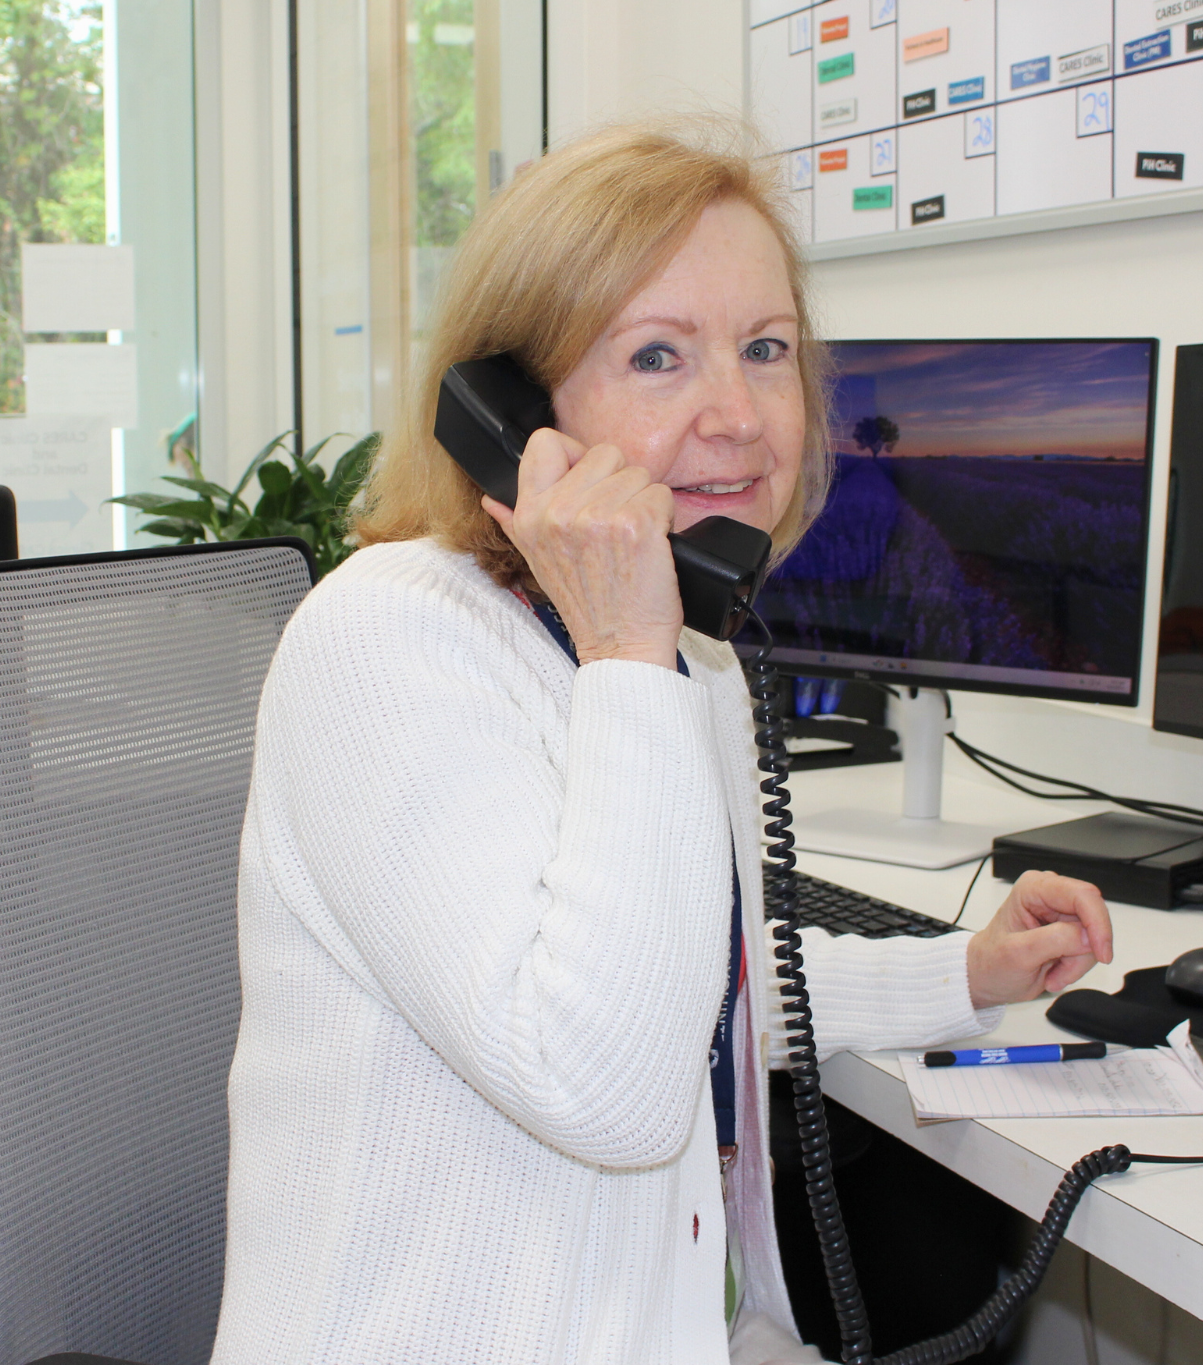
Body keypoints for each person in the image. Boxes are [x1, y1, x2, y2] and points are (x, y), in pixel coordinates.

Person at [210, 122, 1114, 1365]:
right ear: (514, 413)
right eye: (656, 355)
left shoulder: (685, 660)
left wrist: (964, 974)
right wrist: (630, 653)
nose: (737, 415)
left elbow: (699, 983)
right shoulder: (389, 643)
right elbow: (607, 1085)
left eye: (765, 350)